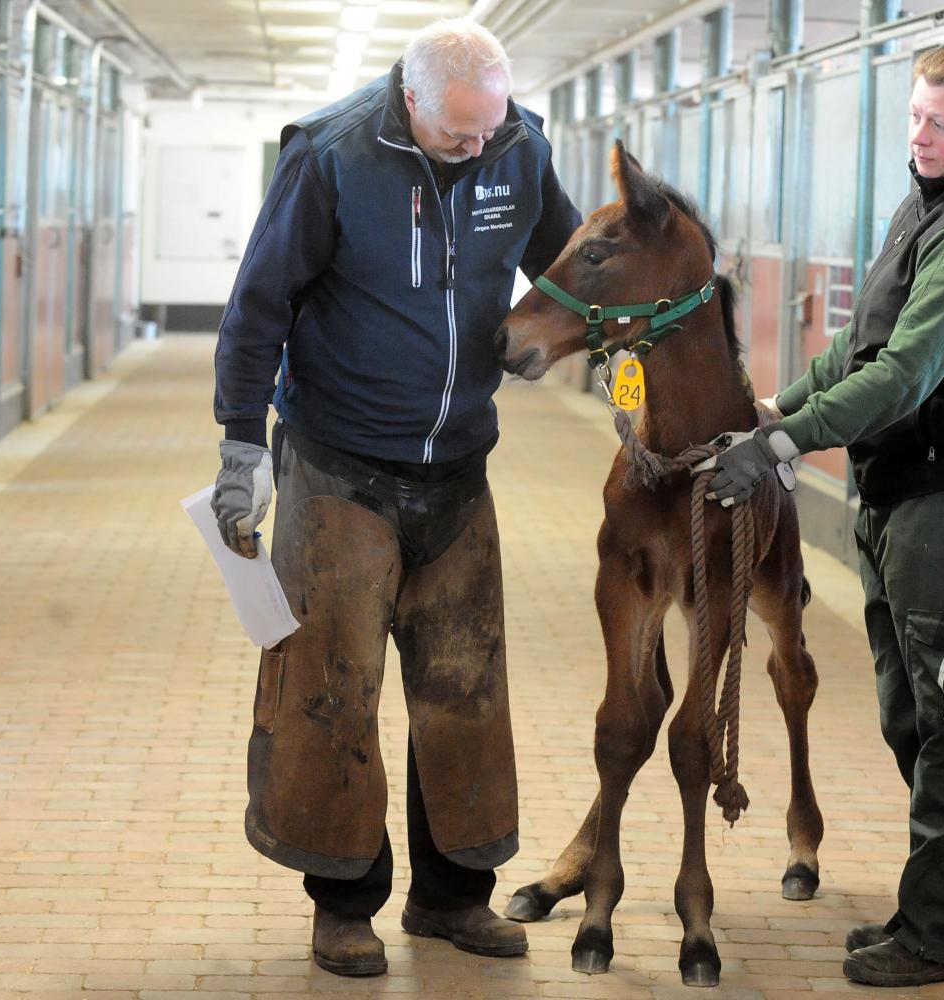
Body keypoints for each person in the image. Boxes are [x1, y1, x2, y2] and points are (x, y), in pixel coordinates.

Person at [209, 18, 580, 978]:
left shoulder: (518, 145)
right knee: (332, 691)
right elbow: (258, 306)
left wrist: (628, 384)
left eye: (488, 128)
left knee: (466, 686)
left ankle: (454, 897)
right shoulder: (330, 158)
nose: (476, 145)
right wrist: (242, 446)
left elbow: (579, 274)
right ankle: (344, 905)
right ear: (409, 98)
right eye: (458, 130)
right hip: (341, 469)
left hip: (460, 468)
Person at [696, 38, 944, 989]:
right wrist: (773, 406)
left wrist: (780, 447)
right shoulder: (928, 201)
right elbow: (866, 344)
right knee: (912, 718)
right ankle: (937, 908)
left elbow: (903, 377)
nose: (921, 136)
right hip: (903, 501)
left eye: (941, 125)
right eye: (914, 116)